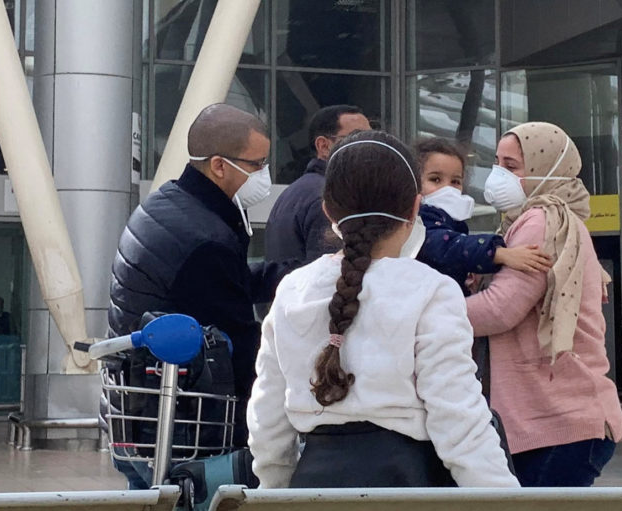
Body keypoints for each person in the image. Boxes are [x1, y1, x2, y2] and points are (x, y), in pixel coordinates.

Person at [247, 130, 519, 489]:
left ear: (328, 210)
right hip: (406, 492)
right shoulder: (431, 290)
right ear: (415, 208)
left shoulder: (292, 289)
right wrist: (504, 502)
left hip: (311, 489)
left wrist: (274, 492)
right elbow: (458, 418)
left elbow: (267, 417)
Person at [108, 103, 295, 487]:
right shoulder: (203, 238)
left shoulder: (169, 204)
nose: (264, 174)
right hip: (182, 432)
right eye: (257, 164)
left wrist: (293, 275)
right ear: (219, 166)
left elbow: (224, 283)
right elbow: (239, 341)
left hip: (140, 417)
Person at [465, 122, 622, 487]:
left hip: (558, 423)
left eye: (511, 166)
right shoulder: (532, 222)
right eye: (496, 163)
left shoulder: (544, 220)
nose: (498, 175)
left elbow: (499, 310)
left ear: (547, 170)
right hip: (555, 421)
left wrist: (427, 310)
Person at [414, 137, 552, 295]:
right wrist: (500, 254)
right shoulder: (419, 219)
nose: (447, 188)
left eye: (455, 182)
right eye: (436, 179)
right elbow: (445, 245)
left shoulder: (451, 221)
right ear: (414, 182)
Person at [264, 105, 371, 263]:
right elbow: (334, 271)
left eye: (373, 139)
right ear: (323, 146)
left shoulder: (299, 190)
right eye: (358, 138)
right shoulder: (329, 196)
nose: (371, 147)